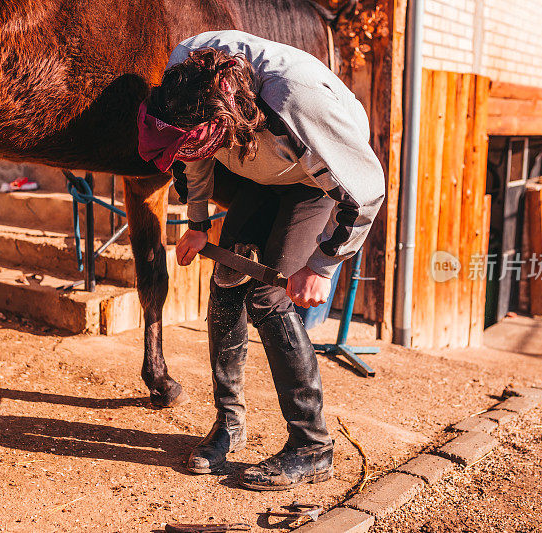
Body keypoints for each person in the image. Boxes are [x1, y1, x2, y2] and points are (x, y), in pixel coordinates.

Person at [137, 30, 384, 491]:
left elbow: (366, 192)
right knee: (227, 282)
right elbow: (193, 153)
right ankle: (229, 425)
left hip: (313, 175)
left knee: (269, 298)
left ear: (222, 120)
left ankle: (312, 446)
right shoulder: (185, 74)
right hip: (258, 162)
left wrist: (322, 265)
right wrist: (197, 223)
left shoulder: (298, 103)